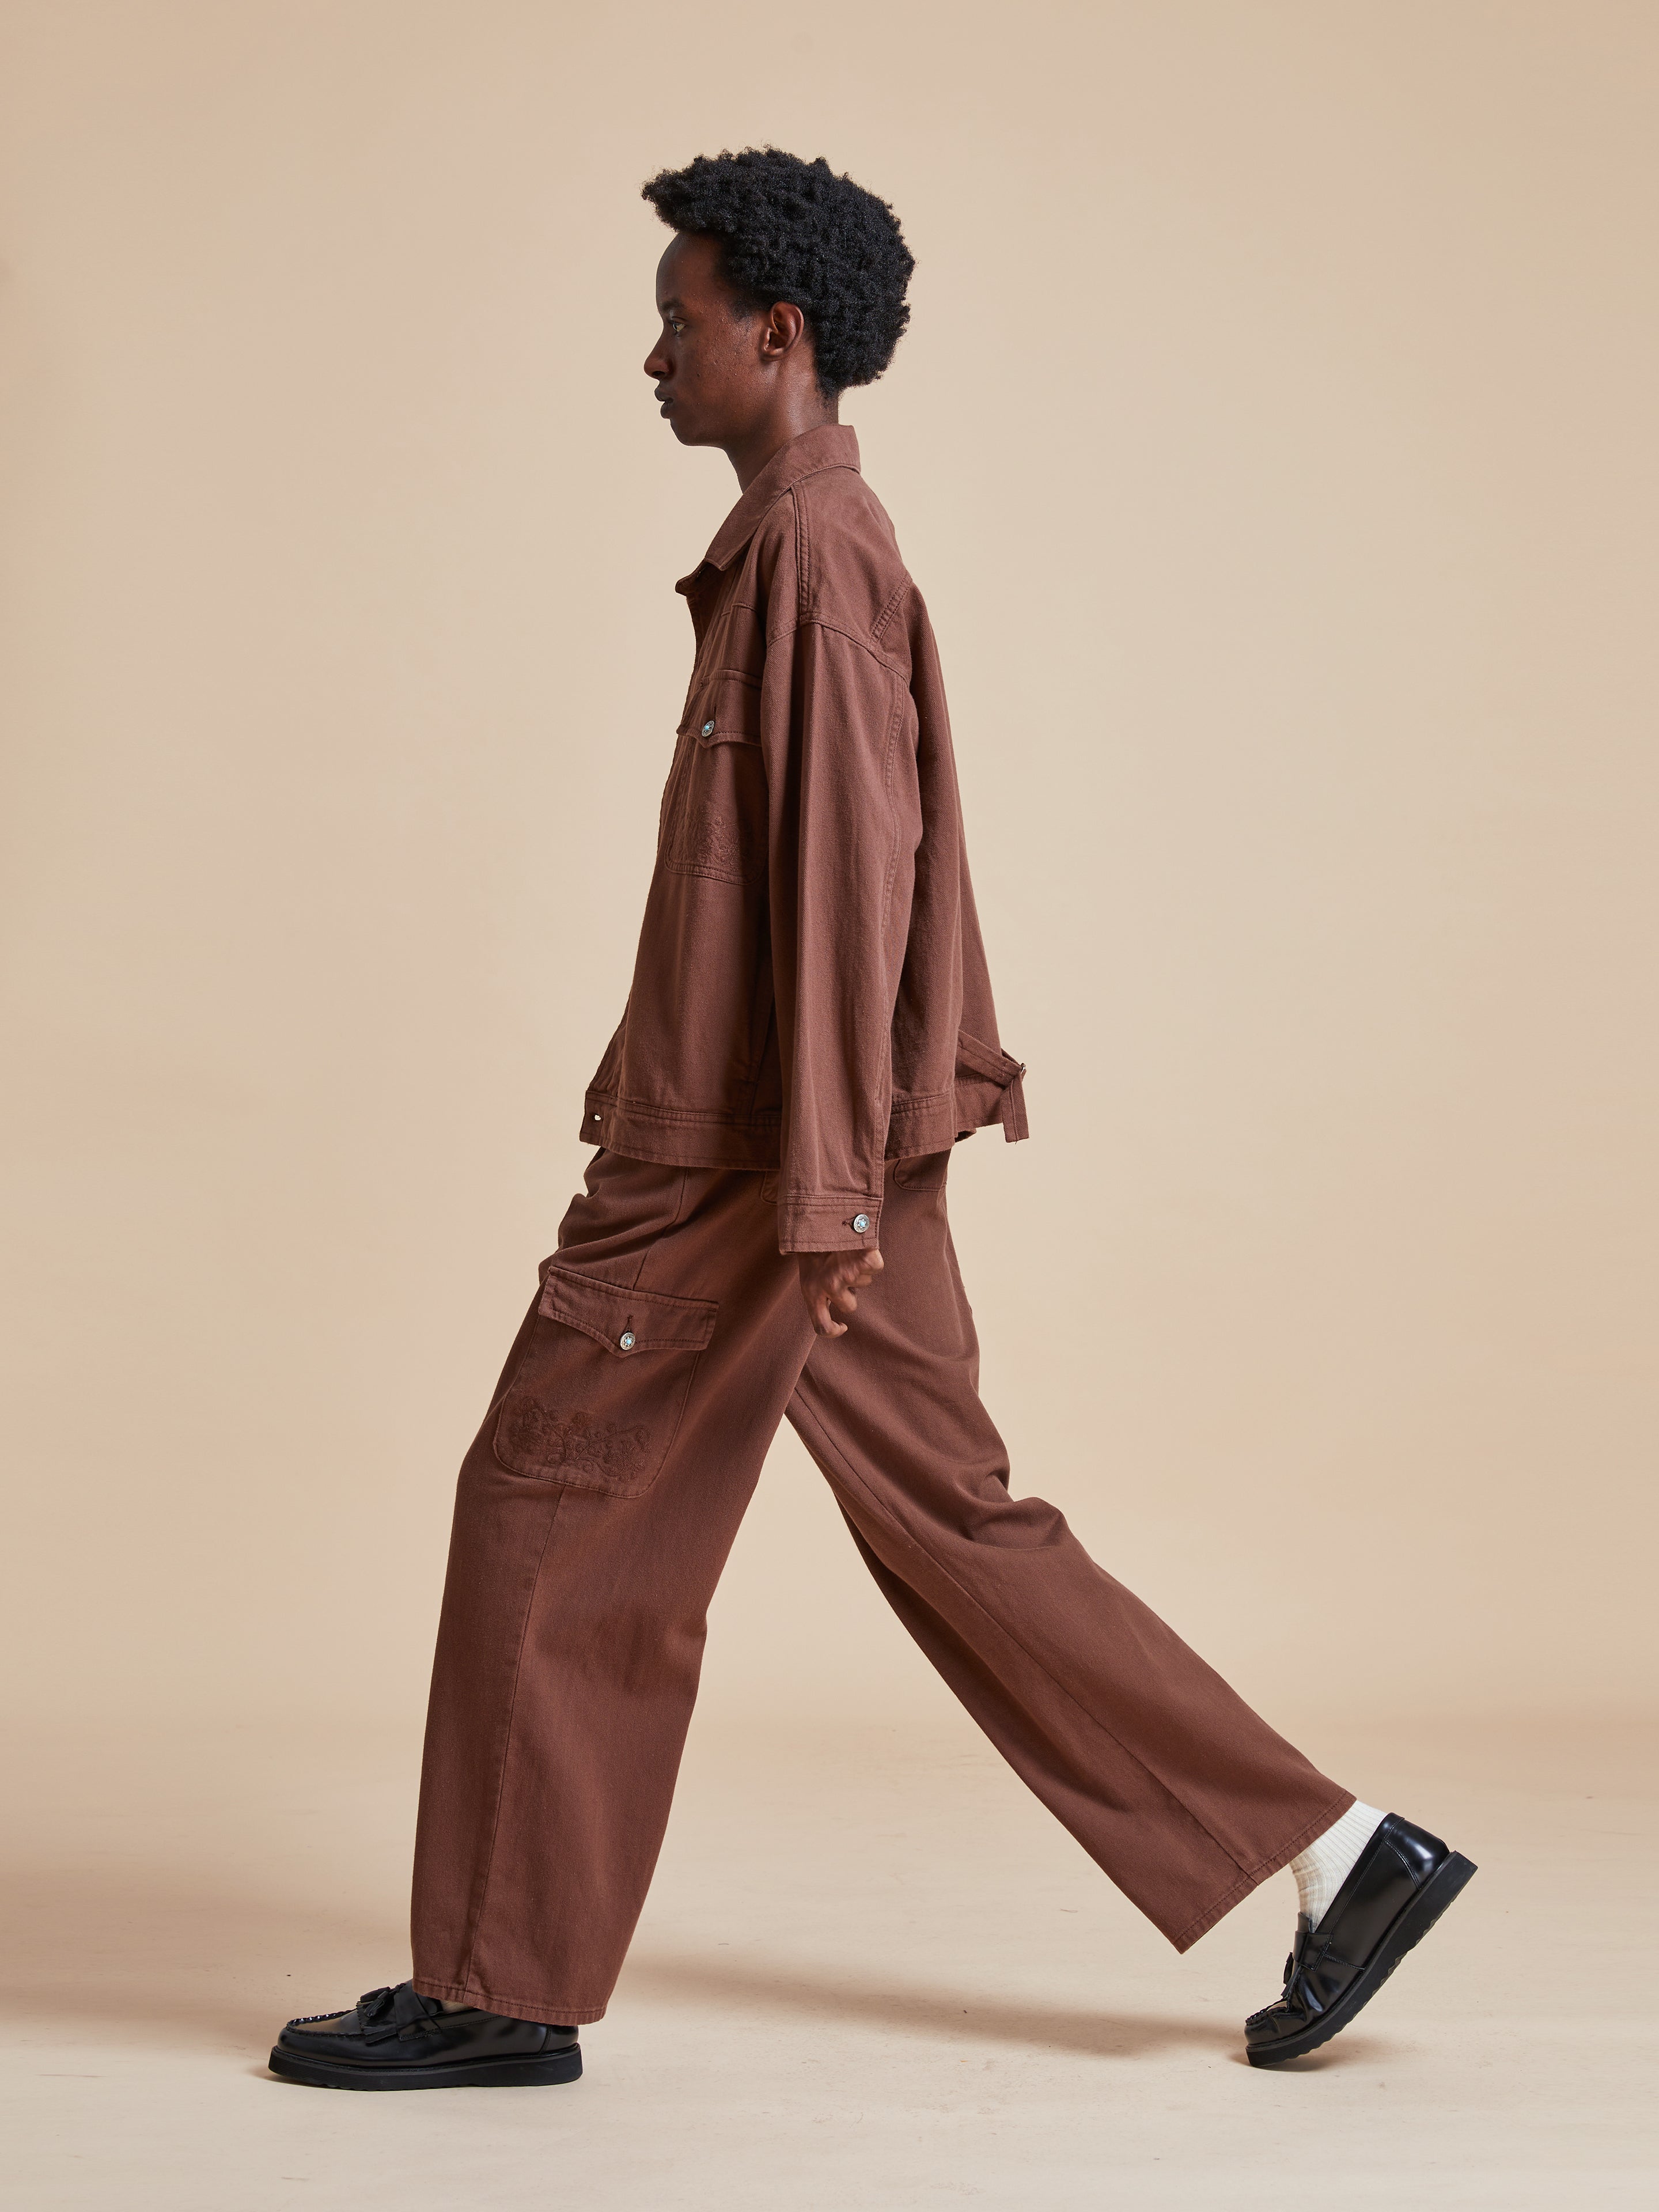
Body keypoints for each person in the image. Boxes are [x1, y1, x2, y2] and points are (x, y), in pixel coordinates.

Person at [268, 147, 1474, 2093]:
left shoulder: (817, 564)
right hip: (820, 1151)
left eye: (677, 322)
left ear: (781, 332)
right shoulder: (801, 548)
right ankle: (1346, 1853)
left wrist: (817, 1204)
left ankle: (501, 1987)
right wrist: (848, 1179)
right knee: (961, 1531)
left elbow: (848, 891)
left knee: (546, 1519)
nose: (649, 357)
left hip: (748, 1175)